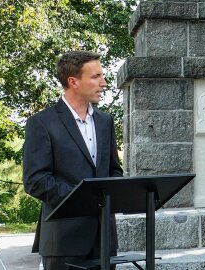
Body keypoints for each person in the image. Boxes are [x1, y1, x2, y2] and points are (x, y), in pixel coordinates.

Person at [23, 50, 123, 270]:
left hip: (104, 239)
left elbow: (114, 171)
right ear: (73, 82)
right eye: (96, 76)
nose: (103, 83)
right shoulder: (41, 123)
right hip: (63, 241)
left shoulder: (105, 122)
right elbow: (35, 180)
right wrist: (83, 198)